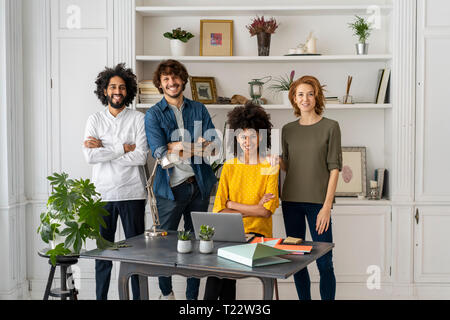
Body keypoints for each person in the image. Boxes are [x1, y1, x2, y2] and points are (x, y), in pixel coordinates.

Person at [144, 59, 218, 300]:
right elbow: (160, 153)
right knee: (163, 247)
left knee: (198, 245)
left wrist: (178, 145)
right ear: (160, 84)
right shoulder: (153, 114)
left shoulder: (199, 109)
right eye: (165, 79)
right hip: (170, 189)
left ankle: (191, 299)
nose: (171, 82)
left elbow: (212, 146)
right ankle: (167, 294)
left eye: (175, 78)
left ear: (183, 80)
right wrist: (192, 146)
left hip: (200, 185)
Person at [272, 75, 342, 300]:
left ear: (316, 97)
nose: (305, 99)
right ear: (293, 98)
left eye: (310, 94)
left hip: (318, 204)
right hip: (291, 201)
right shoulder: (287, 129)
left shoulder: (331, 127)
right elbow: (289, 166)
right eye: (300, 94)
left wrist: (326, 206)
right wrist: (276, 160)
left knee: (324, 262)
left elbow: (334, 168)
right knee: (297, 260)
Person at [83, 63, 148, 300]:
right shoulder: (94, 120)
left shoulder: (138, 119)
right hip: (103, 195)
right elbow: (90, 156)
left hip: (133, 194)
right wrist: (122, 148)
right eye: (112, 87)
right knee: (103, 256)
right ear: (104, 91)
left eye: (122, 87)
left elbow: (141, 156)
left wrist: (105, 149)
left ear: (128, 91)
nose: (117, 91)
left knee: (136, 256)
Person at [203, 102, 279, 300]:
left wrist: (233, 205)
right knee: (218, 271)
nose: (247, 141)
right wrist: (253, 207)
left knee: (222, 268)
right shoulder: (229, 166)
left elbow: (266, 212)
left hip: (257, 234)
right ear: (236, 137)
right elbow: (219, 210)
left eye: (252, 136)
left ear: (262, 136)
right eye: (242, 136)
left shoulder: (269, 165)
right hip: (230, 232)